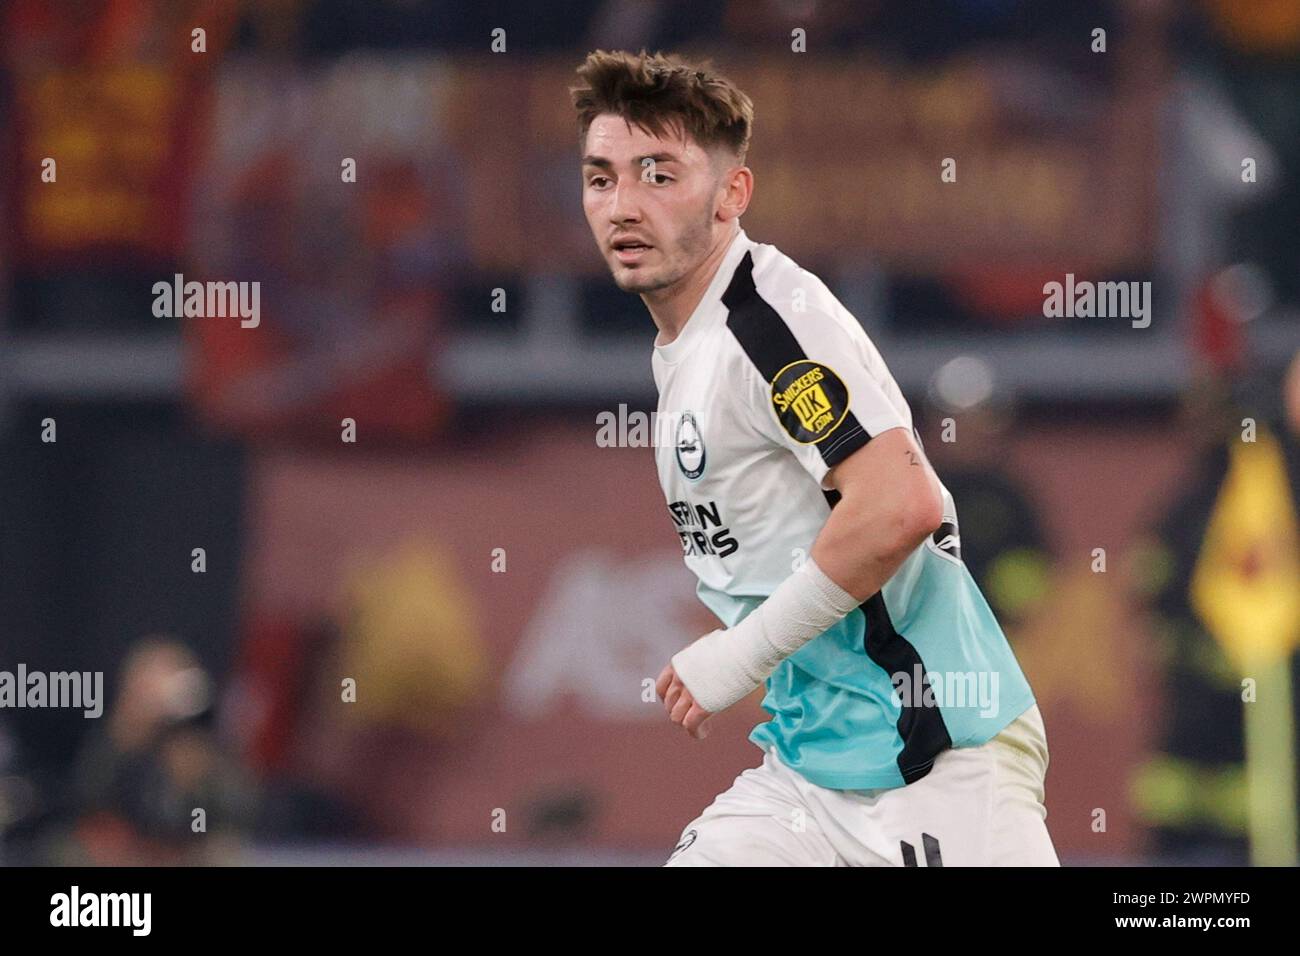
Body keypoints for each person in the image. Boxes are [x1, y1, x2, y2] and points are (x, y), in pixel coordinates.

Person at [572, 49, 1058, 866]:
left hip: (936, 756)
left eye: (658, 174)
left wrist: (739, 654)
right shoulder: (691, 344)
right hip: (806, 774)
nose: (623, 205)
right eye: (601, 177)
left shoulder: (770, 325)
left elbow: (901, 507)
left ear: (733, 194)